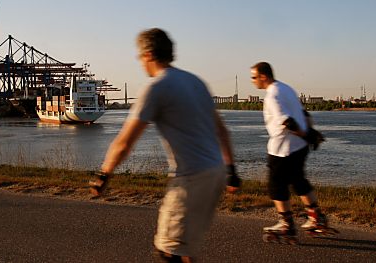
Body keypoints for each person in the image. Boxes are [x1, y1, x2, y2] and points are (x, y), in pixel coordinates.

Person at [90, 28, 240, 262]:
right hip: (216, 174)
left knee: (170, 251)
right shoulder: (195, 82)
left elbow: (124, 142)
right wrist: (231, 171)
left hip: (190, 179)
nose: (140, 62)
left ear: (148, 54)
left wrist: (104, 173)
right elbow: (221, 130)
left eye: (140, 57)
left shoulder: (156, 87)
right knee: (184, 248)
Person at [250, 62, 328, 239]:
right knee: (298, 180)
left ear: (263, 76)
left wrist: (305, 135)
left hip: (282, 149)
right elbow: (304, 114)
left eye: (254, 77)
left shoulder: (272, 95)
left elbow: (288, 122)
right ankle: (316, 218)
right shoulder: (286, 88)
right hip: (299, 147)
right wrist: (310, 133)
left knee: (276, 185)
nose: (253, 81)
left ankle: (286, 223)